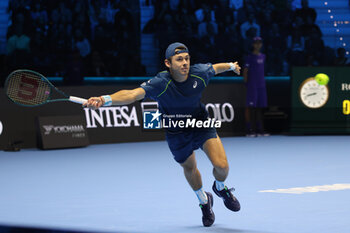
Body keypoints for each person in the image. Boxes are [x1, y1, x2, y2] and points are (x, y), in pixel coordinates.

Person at [84, 42, 241, 227]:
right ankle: (204, 200)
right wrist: (105, 99)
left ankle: (220, 188)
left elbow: (215, 68)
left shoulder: (199, 73)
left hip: (200, 124)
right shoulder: (161, 82)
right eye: (179, 59)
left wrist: (231, 66)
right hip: (176, 131)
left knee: (222, 166)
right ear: (168, 63)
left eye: (187, 59)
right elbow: (133, 94)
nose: (185, 63)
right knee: (190, 168)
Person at [243, 37, 269, 137]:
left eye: (259, 43)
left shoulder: (263, 56)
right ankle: (249, 130)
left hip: (261, 85)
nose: (258, 45)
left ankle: (260, 130)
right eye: (256, 43)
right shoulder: (249, 57)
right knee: (251, 108)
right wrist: (247, 83)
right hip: (252, 85)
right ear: (253, 45)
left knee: (259, 108)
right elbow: (245, 71)